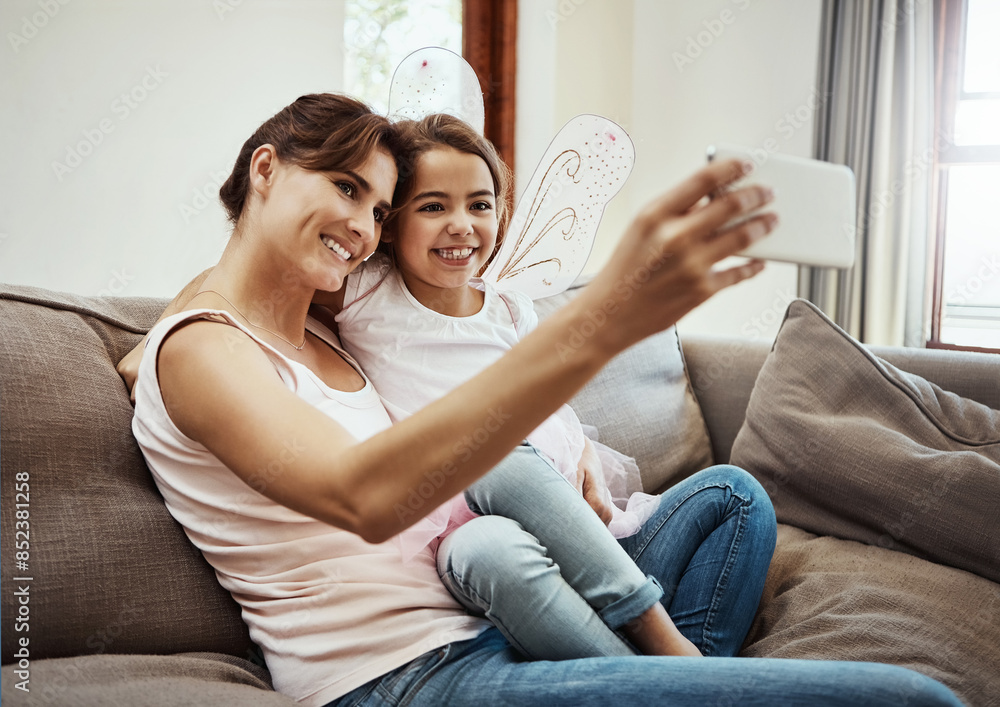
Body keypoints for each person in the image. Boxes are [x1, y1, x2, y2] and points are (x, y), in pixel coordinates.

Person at [123, 93, 962, 706]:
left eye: (379, 208)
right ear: (264, 168)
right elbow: (361, 496)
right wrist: (601, 322)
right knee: (914, 699)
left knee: (728, 499)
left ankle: (661, 679)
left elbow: (162, 333)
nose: (364, 226)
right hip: (405, 675)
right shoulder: (202, 351)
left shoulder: (322, 326)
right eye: (346, 188)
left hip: (502, 612)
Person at [328, 112, 770, 661]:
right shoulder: (366, 292)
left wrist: (581, 447)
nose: (462, 224)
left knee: (736, 492)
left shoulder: (509, 308)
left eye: (480, 205)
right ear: (390, 223)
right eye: (433, 206)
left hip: (576, 523)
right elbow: (272, 270)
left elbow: (550, 392)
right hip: (478, 528)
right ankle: (664, 657)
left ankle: (680, 678)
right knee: (487, 458)